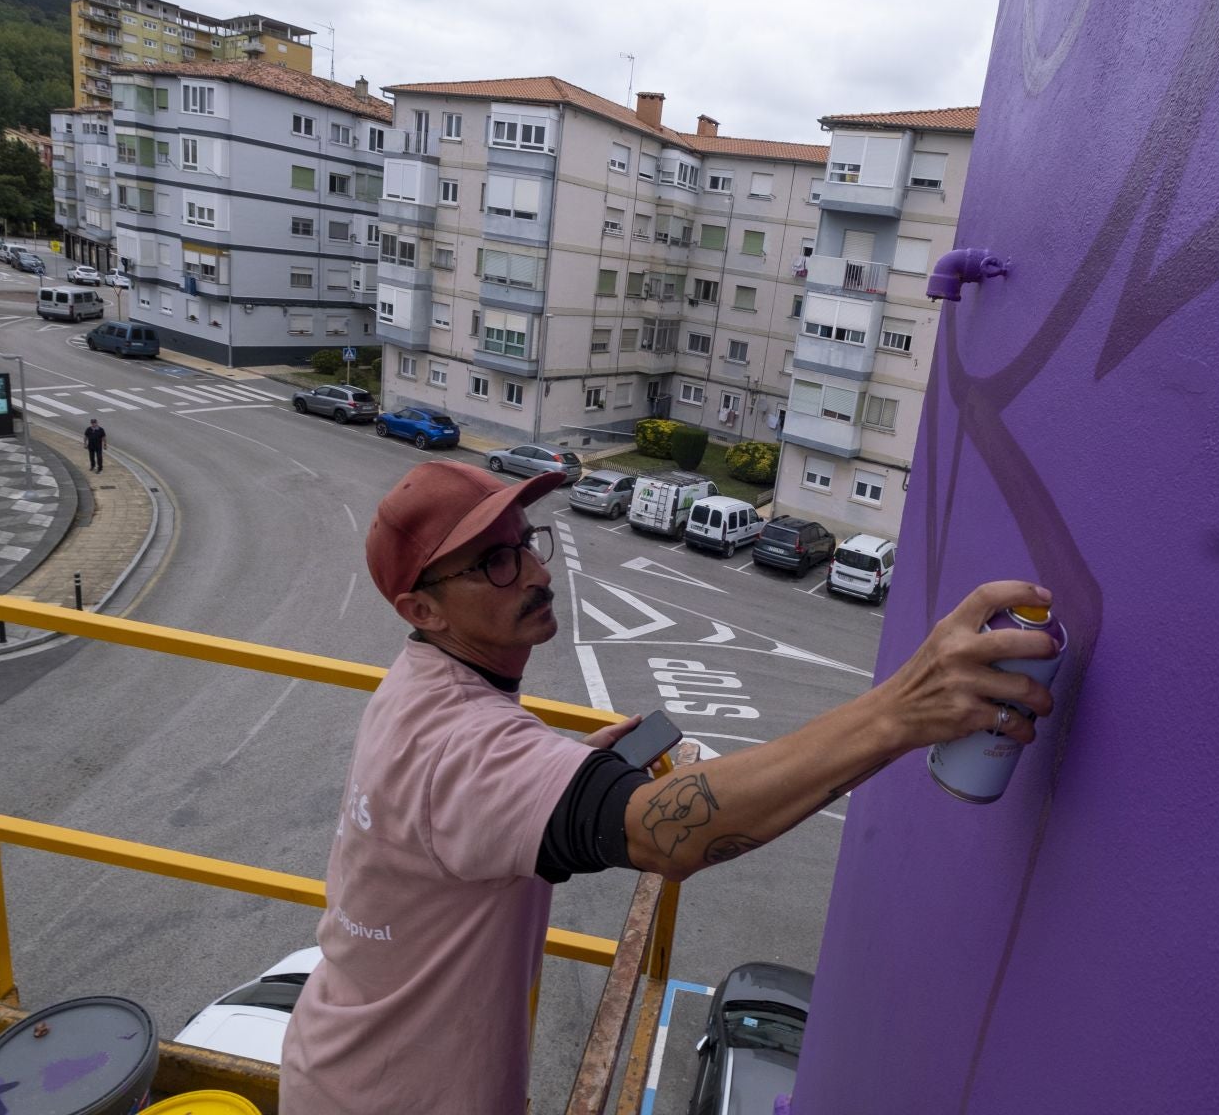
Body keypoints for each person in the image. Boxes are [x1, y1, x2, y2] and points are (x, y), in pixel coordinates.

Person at [280, 460, 1057, 1114]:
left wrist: (563, 768)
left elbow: (452, 793)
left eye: (525, 544)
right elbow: (665, 834)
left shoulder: (420, 689)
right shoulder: (464, 745)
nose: (538, 572)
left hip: (342, 1069)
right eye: (494, 562)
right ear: (422, 609)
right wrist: (905, 708)